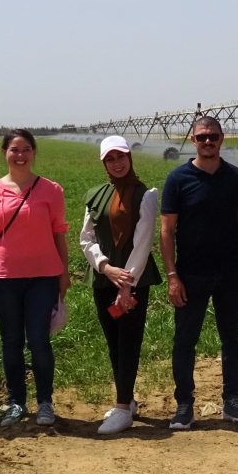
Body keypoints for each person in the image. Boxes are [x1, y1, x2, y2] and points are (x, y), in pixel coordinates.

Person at [160, 116, 238, 430]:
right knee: (185, 340)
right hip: (191, 275)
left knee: (232, 338)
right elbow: (167, 231)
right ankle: (184, 405)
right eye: (202, 137)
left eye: (212, 136)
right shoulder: (178, 179)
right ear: (193, 141)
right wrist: (172, 276)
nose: (207, 142)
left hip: (229, 272)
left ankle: (231, 400)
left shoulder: (235, 178)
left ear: (221, 138)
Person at [0, 129, 70, 427]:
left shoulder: (51, 190)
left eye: (26, 149)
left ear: (34, 152)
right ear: (4, 153)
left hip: (43, 276)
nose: (20, 155)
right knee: (11, 341)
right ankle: (15, 403)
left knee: (39, 339)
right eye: (14, 149)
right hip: (2, 276)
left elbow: (59, 234)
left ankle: (45, 403)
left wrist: (63, 274)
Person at [80, 135, 162, 434]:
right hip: (103, 278)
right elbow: (85, 238)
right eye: (110, 159)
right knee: (114, 343)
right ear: (104, 163)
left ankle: (124, 408)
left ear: (130, 157)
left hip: (134, 279)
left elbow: (143, 242)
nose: (117, 163)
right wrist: (105, 266)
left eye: (121, 157)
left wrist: (126, 282)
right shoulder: (95, 195)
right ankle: (125, 398)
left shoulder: (145, 195)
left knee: (129, 341)